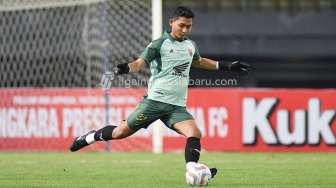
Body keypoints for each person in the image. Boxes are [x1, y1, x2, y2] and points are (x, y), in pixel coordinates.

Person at [70, 6, 249, 179]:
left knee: (195, 133)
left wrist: (226, 66)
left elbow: (199, 61)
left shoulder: (190, 45)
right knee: (119, 133)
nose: (185, 30)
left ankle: (192, 169)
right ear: (172, 22)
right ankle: (91, 136)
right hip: (154, 102)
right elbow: (139, 63)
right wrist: (126, 68)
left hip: (176, 106)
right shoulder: (159, 43)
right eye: (182, 25)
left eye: (189, 26)